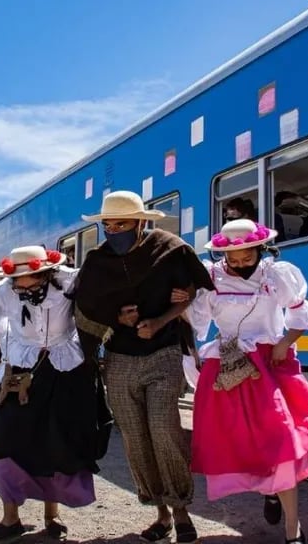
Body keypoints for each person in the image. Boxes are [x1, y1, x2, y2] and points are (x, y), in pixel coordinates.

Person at [70, 190, 214, 544]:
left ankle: (180, 509)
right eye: (108, 225)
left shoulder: (170, 249)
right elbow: (85, 311)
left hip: (163, 353)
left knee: (165, 429)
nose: (113, 230)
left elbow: (191, 291)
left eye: (121, 224)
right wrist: (117, 318)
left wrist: (160, 320)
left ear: (140, 223)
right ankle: (160, 514)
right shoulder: (96, 263)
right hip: (119, 359)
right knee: (135, 439)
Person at [179, 219, 308, 544]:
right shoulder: (211, 277)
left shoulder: (276, 275)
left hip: (268, 365)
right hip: (227, 366)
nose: (237, 265)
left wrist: (283, 342)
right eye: (231, 259)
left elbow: (300, 314)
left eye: (245, 258)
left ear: (258, 250)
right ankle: (271, 492)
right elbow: (199, 322)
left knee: (281, 443)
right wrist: (182, 307)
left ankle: (293, 531)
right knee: (239, 443)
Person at [0, 245, 112, 542]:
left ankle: (52, 515)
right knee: (4, 440)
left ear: (45, 273)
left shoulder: (70, 282)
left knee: (55, 444)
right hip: (20, 371)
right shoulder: (2, 292)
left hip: (64, 371)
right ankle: (10, 518)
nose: (21, 283)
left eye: (28, 277)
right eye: (17, 278)